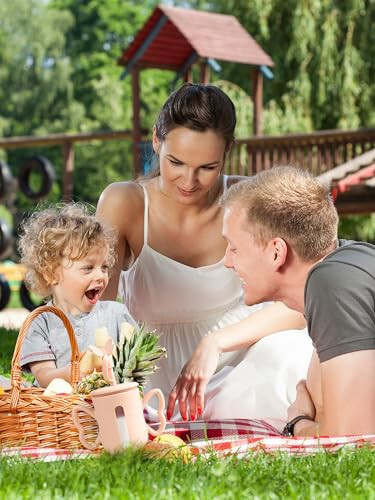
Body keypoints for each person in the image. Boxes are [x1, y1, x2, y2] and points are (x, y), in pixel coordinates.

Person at [97, 83, 312, 426]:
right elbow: (97, 315)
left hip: (241, 365)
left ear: (227, 152)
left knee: (291, 355)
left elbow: (301, 302)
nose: (189, 181)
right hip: (157, 383)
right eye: (176, 162)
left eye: (207, 167)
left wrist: (214, 343)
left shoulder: (247, 199)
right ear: (156, 140)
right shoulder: (125, 203)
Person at [221, 166, 375, 436]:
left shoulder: (334, 282)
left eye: (235, 248)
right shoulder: (350, 263)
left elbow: (353, 440)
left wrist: (298, 421)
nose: (227, 261)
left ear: (276, 252)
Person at [19, 203, 135, 387]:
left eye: (104, 267)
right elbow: (44, 375)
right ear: (50, 273)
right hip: (58, 411)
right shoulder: (41, 323)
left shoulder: (117, 315)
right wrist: (73, 373)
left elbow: (136, 363)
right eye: (88, 268)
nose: (100, 276)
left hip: (108, 406)